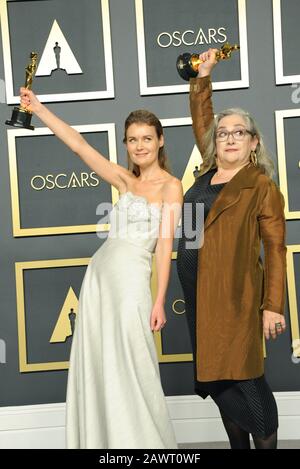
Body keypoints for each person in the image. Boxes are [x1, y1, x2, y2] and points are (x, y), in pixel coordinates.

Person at [20, 88, 182, 449]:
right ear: (126, 144)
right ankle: (107, 439)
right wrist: (40, 109)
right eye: (132, 140)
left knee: (133, 360)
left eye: (146, 139)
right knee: (102, 360)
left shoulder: (171, 187)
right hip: (99, 278)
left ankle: (143, 445)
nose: (140, 146)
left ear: (160, 141)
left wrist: (159, 301)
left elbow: (165, 246)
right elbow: (78, 145)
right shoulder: (126, 180)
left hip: (131, 281)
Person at [176, 49, 287, 449]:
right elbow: (204, 119)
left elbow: (275, 249)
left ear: (254, 142)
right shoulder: (207, 171)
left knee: (246, 378)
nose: (229, 137)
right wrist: (202, 76)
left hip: (237, 297)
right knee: (218, 380)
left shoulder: (260, 186)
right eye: (224, 133)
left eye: (239, 132)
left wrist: (272, 305)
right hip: (198, 296)